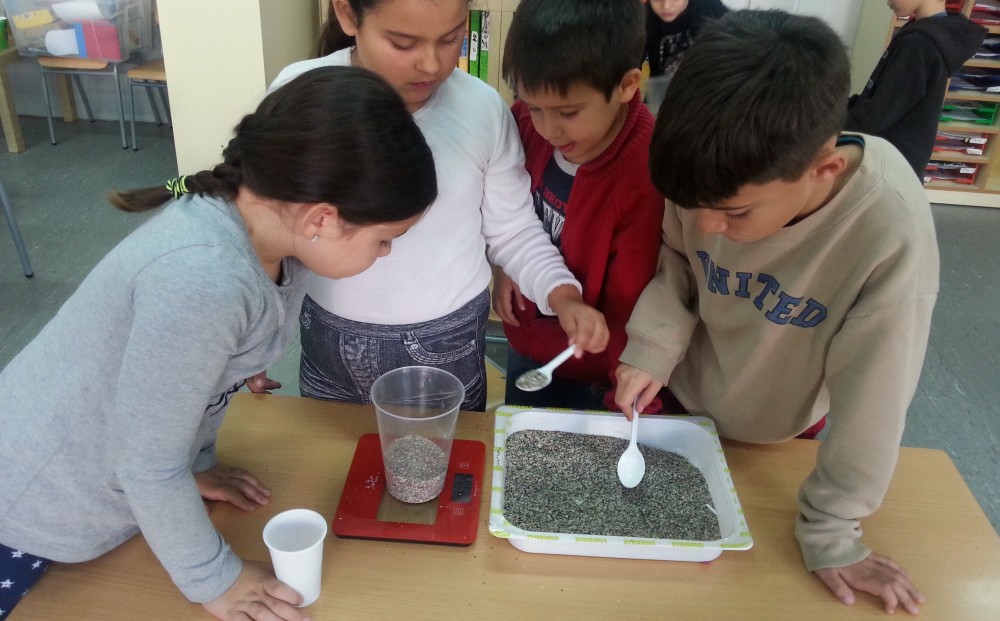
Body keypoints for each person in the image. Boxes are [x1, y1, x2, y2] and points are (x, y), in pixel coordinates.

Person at [0, 66, 437, 621]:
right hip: (35, 506)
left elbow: (187, 385)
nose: (387, 253)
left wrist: (194, 462)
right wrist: (216, 579)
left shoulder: (274, 237)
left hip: (114, 476)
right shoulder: (203, 278)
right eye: (385, 240)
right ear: (323, 219)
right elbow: (146, 463)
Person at [615, 10, 937, 615]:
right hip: (684, 402)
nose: (707, 226)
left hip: (781, 431)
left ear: (824, 169)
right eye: (692, 205)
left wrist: (832, 530)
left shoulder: (887, 229)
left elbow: (876, 395)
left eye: (734, 213)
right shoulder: (710, 175)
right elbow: (678, 259)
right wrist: (653, 347)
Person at [270, 0, 609, 412]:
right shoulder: (301, 93)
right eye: (403, 43)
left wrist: (562, 295)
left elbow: (514, 230)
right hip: (326, 335)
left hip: (444, 341)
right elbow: (269, 230)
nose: (431, 65)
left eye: (451, 39)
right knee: (331, 448)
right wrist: (251, 341)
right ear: (347, 14)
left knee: (447, 452)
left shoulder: (481, 109)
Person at [494, 0, 664, 411]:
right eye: (533, 106)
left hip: (598, 368)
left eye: (568, 112)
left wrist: (624, 396)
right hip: (530, 342)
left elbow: (633, 301)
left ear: (626, 85)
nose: (547, 129)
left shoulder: (645, 169)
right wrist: (502, 266)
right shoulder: (522, 123)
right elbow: (505, 218)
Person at [845, 0, 987, 178]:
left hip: (892, 167)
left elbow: (876, 115)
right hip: (894, 159)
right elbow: (879, 96)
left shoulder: (920, 43)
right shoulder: (925, 31)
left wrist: (827, 124)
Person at [643, 0, 728, 110]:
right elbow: (631, 62)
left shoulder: (710, 8)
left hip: (706, 95)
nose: (666, 6)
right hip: (661, 96)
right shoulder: (643, 19)